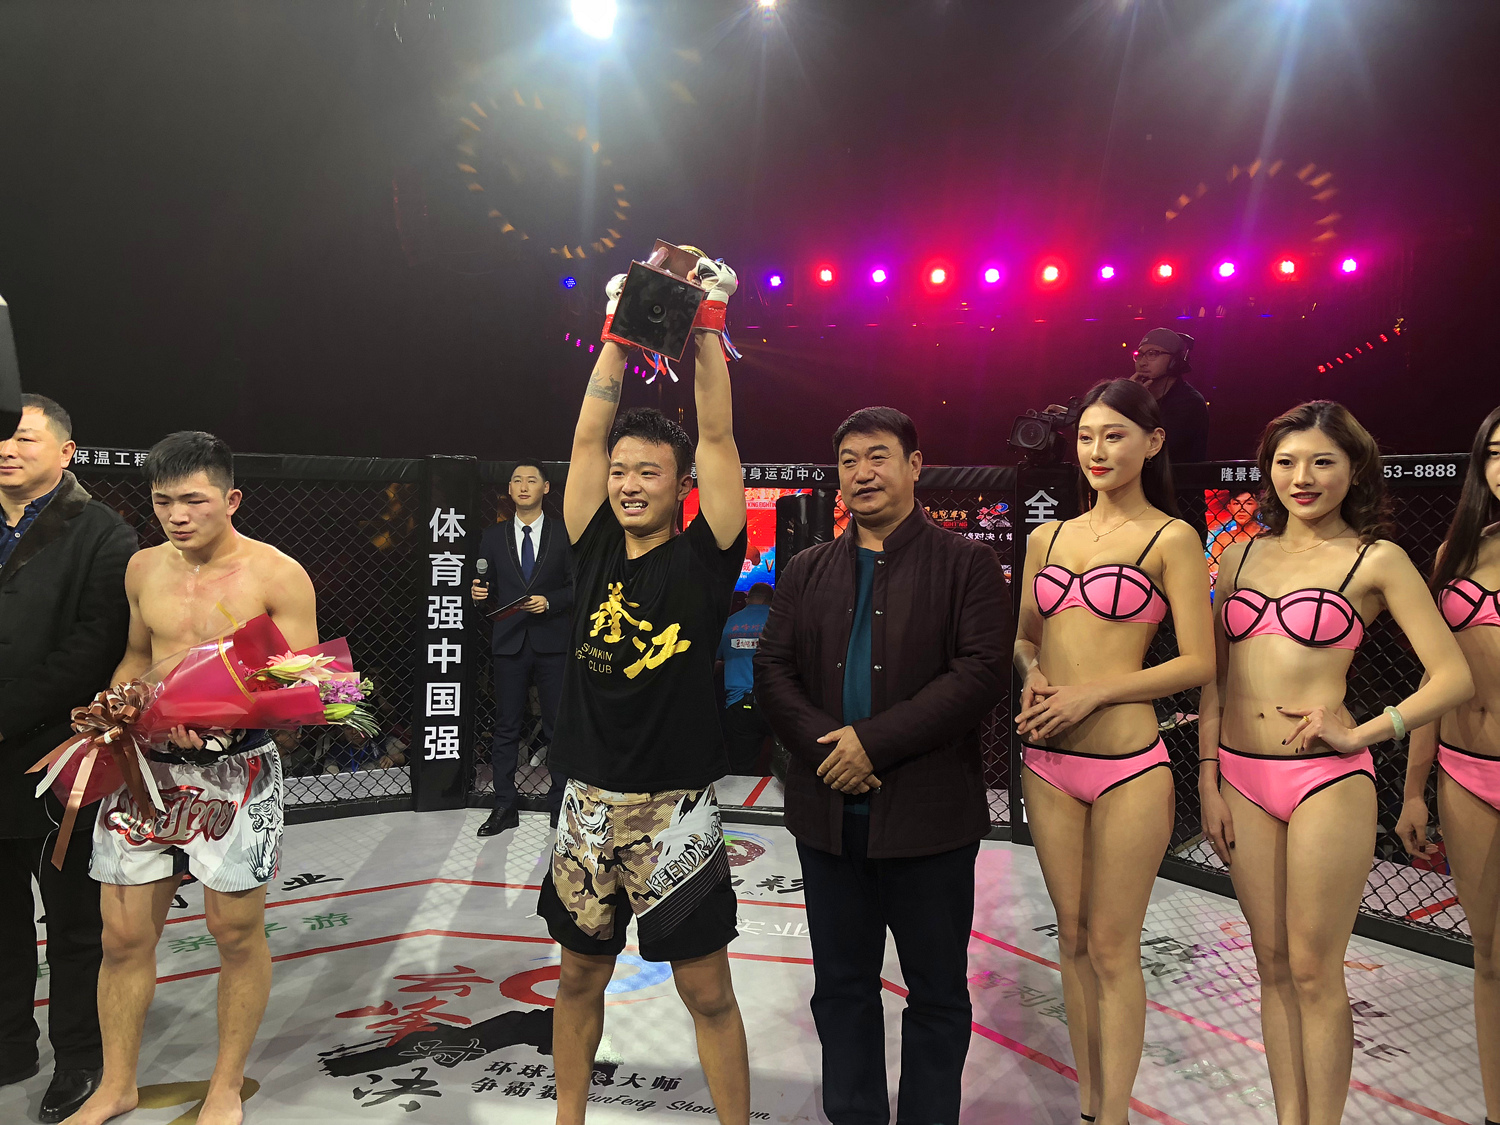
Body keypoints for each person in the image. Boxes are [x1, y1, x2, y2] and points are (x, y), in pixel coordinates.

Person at [1199, 401, 1472, 1125]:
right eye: (1286, 461)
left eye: (1322, 461)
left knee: (1316, 972)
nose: (1303, 477)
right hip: (1240, 778)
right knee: (1272, 965)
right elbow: (1215, 677)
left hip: (1325, 780)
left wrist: (1366, 734)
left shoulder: (1376, 558)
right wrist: (1207, 775)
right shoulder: (1238, 554)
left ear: (1355, 469)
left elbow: (1452, 676)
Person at [538, 260, 750, 1124]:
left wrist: (709, 324)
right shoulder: (588, 542)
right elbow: (588, 434)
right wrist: (619, 333)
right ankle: (568, 1118)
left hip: (676, 809)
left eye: (649, 472)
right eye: (622, 470)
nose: (628, 482)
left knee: (708, 991)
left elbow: (719, 438)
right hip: (585, 801)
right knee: (577, 976)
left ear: (680, 485)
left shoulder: (707, 556)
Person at [755, 406, 1008, 1125]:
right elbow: (773, 669)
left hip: (930, 819)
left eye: (878, 456)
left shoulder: (966, 564)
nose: (862, 473)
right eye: (848, 461)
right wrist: (830, 749)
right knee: (841, 988)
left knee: (936, 992)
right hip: (829, 819)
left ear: (914, 465)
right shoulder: (805, 569)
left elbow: (982, 671)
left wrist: (874, 744)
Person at [66, 431, 317, 1125]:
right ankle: (117, 1085)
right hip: (143, 767)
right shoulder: (142, 567)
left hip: (235, 771)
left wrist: (222, 721)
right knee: (121, 938)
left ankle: (226, 1085)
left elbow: (308, 687)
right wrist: (120, 705)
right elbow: (135, 654)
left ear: (231, 499)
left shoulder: (277, 574)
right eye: (162, 501)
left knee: (233, 932)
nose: (177, 515)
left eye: (193, 500)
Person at [1012, 379, 1214, 1125]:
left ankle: (1116, 1113)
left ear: (1153, 442)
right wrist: (1033, 673)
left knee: (1113, 947)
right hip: (1048, 764)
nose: (1097, 450)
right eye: (1087, 436)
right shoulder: (1047, 539)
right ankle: (1089, 1103)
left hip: (1130, 765)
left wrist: (1095, 692)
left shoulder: (1172, 538)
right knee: (1070, 938)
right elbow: (1024, 636)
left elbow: (1199, 661)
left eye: (1115, 435)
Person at [0, 395, 135, 1124]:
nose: (7, 449)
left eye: (24, 438)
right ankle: (8, 1046)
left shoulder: (104, 531)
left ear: (65, 450)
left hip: (62, 756)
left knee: (76, 921)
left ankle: (81, 1056)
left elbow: (94, 644)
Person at [1396, 404, 1500, 1125]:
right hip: (1465, 772)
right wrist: (1413, 790)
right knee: (1487, 956)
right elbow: (1436, 681)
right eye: (1494, 451)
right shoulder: (1457, 554)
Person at [470, 458, 574, 836]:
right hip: (509, 640)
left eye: (532, 480)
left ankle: (560, 804)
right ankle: (504, 804)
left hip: (553, 640)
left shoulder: (563, 533)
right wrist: (478, 595)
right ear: (509, 490)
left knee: (557, 725)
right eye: (517, 480)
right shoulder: (492, 536)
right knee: (506, 725)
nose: (524, 486)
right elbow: (486, 588)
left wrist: (550, 602)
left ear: (546, 488)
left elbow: (578, 586)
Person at [1130, 328, 1209, 464]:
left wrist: (1132, 404)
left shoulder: (1190, 402)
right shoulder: (1139, 397)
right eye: (1140, 355)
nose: (1142, 362)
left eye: (1152, 354)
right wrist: (1126, 398)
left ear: (1174, 361)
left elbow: (1155, 450)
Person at [717, 582, 772, 775]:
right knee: (784, 765)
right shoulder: (781, 622)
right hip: (776, 703)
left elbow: (713, 662)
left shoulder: (728, 624)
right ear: (771, 601)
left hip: (738, 704)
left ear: (748, 600)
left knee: (740, 768)